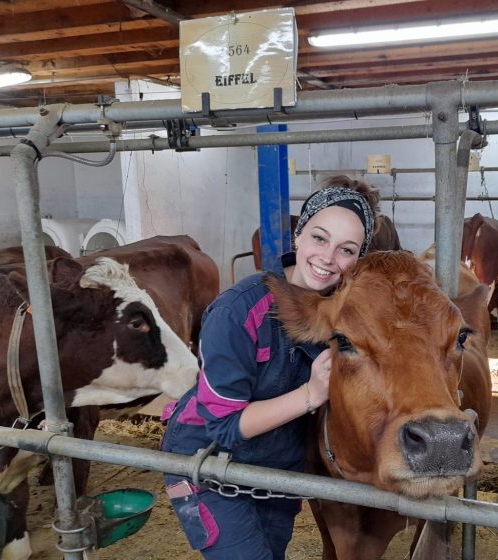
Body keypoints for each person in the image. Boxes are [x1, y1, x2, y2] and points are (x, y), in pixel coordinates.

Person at [160, 175, 380, 560]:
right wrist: (311, 394)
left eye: (346, 249)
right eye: (319, 238)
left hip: (278, 467)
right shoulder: (238, 310)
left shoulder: (346, 316)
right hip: (209, 462)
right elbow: (224, 426)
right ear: (299, 235)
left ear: (358, 260)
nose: (328, 258)